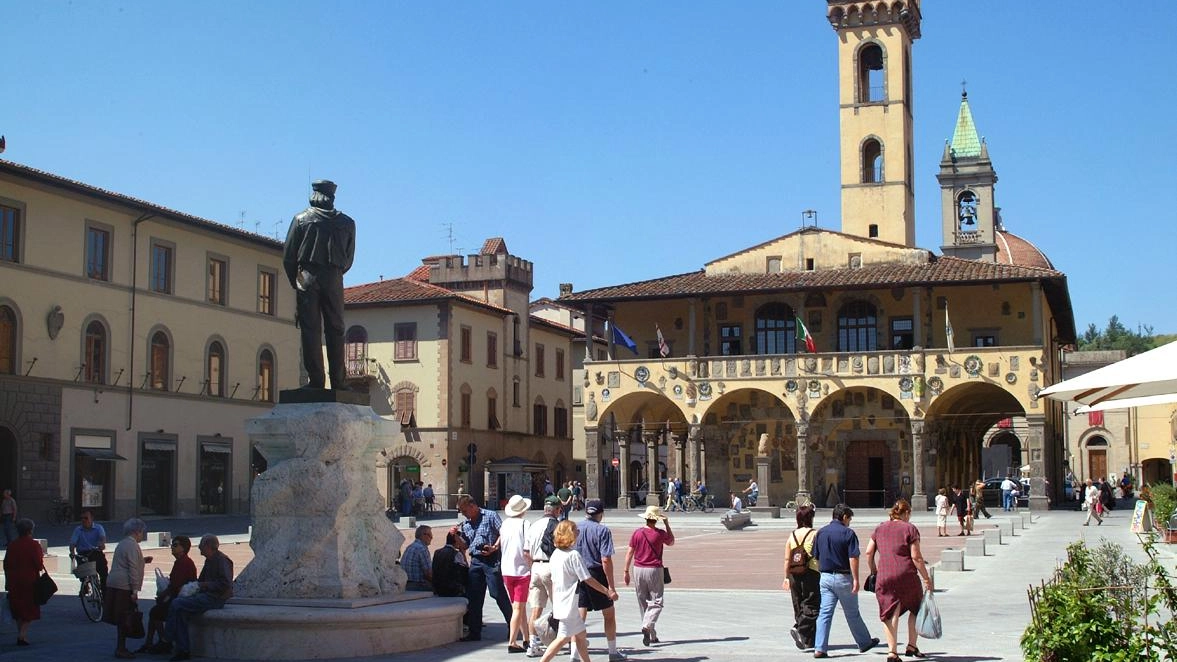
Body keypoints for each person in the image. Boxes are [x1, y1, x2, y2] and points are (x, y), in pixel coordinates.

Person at [282, 179, 356, 391]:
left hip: (306, 277)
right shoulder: (347, 223)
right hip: (334, 276)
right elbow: (349, 259)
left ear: (314, 196)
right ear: (331, 197)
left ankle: (315, 381)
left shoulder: (300, 220)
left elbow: (289, 257)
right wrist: (335, 273)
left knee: (310, 329)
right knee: (336, 329)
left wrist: (297, 282)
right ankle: (339, 382)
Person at [537, 520, 619, 662]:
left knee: (581, 634)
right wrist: (607, 591)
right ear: (569, 534)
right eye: (575, 531)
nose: (578, 533)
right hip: (569, 601)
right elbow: (587, 579)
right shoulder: (573, 555)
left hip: (561, 599)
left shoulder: (556, 553)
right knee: (563, 637)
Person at [864, 500, 934, 661]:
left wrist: (874, 570)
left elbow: (868, 552)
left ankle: (892, 651)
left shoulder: (880, 528)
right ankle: (912, 645)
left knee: (890, 612)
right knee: (915, 608)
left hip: (885, 574)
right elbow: (916, 557)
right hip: (906, 574)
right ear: (907, 513)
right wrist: (926, 578)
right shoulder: (910, 529)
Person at [811, 504, 880, 658]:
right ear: (844, 517)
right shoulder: (848, 533)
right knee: (852, 613)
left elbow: (815, 555)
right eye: (849, 519)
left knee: (825, 613)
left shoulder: (821, 532)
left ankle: (820, 648)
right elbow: (853, 557)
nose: (849, 522)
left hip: (825, 577)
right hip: (843, 577)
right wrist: (856, 579)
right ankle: (864, 642)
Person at [160, 534, 233, 661]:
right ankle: (183, 649)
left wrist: (204, 585)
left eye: (201, 546)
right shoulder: (209, 560)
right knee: (181, 611)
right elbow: (201, 580)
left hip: (215, 598)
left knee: (177, 604)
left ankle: (167, 638)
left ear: (208, 546)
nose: (199, 549)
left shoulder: (222, 560)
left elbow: (225, 583)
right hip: (206, 595)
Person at [575, 499, 627, 661]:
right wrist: (610, 587)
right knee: (609, 614)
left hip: (578, 572)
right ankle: (612, 652)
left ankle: (574, 654)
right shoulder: (602, 531)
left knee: (579, 614)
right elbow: (605, 559)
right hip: (596, 572)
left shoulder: (575, 527)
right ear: (601, 514)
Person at [456, 494, 512, 641]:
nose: (463, 514)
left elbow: (503, 533)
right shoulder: (466, 524)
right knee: (474, 597)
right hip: (476, 560)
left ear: (472, 506)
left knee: (497, 593)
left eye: (464, 511)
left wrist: (494, 547)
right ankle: (475, 632)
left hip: (491, 559)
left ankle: (513, 626)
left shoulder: (490, 515)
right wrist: (455, 536)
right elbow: (465, 545)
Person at [624, 505, 675, 647]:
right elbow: (671, 541)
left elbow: (629, 552)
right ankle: (647, 626)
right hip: (654, 569)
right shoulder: (659, 533)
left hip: (638, 569)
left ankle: (652, 634)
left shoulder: (637, 533)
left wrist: (626, 571)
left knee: (643, 602)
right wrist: (667, 524)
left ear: (646, 518)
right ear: (656, 520)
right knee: (657, 600)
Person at [104, 518, 153, 659]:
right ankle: (121, 648)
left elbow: (128, 562)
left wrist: (142, 561)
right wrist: (135, 590)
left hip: (114, 582)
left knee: (121, 617)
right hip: (123, 585)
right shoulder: (132, 545)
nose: (143, 535)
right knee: (124, 617)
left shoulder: (122, 544)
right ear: (136, 531)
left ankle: (121, 647)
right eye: (142, 532)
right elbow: (132, 568)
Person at [141, 536, 197, 655]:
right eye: (172, 544)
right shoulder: (179, 562)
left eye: (175, 545)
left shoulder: (184, 562)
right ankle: (149, 642)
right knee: (155, 611)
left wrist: (163, 596)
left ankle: (164, 641)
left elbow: (175, 585)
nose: (172, 547)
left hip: (180, 599)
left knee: (155, 612)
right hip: (176, 596)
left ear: (183, 548)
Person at [525, 496, 561, 656]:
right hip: (550, 566)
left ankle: (532, 645)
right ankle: (563, 640)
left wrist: (532, 565)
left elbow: (526, 552)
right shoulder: (556, 525)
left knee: (535, 609)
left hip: (535, 567)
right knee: (560, 607)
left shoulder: (533, 525)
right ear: (557, 510)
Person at [782, 504, 819, 651]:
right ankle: (800, 629)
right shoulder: (815, 534)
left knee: (798, 605)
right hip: (811, 572)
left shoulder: (792, 535)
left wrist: (786, 577)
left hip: (794, 573)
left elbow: (787, 559)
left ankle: (807, 641)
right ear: (810, 518)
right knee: (812, 605)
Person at [500, 494, 534, 653]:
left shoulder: (505, 524)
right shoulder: (525, 524)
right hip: (521, 570)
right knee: (518, 608)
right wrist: (531, 566)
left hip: (506, 569)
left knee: (519, 606)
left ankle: (526, 638)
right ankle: (512, 641)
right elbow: (527, 549)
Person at [3, 518, 42, 646]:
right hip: (29, 581)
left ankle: (22, 635)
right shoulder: (34, 545)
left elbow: (6, 564)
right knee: (29, 609)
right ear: (30, 531)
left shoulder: (12, 545)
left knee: (18, 608)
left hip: (14, 580)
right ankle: (21, 635)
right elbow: (39, 565)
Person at [69, 509, 109, 592]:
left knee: (103, 572)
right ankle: (85, 584)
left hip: (95, 552)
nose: (83, 520)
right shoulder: (78, 530)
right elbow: (72, 543)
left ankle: (104, 590)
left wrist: (101, 544)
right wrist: (72, 552)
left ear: (92, 518)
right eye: (82, 518)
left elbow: (102, 538)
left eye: (86, 518)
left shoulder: (98, 528)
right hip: (83, 553)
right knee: (82, 570)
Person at [432, 527, 470, 598]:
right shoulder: (456, 554)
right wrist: (463, 553)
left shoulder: (437, 552)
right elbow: (465, 570)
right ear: (457, 541)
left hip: (438, 588)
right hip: (452, 589)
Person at [402, 525, 434, 592]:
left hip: (406, 584)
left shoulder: (410, 546)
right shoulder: (422, 549)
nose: (432, 538)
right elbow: (429, 574)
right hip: (418, 585)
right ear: (424, 535)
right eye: (430, 535)